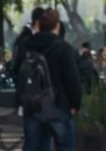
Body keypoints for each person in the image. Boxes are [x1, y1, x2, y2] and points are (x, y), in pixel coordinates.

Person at [21, 9, 82, 151]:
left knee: (32, 145)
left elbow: (17, 71)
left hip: (32, 104)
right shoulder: (63, 48)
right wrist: (75, 104)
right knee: (65, 145)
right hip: (57, 104)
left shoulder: (27, 45)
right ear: (57, 26)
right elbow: (72, 79)